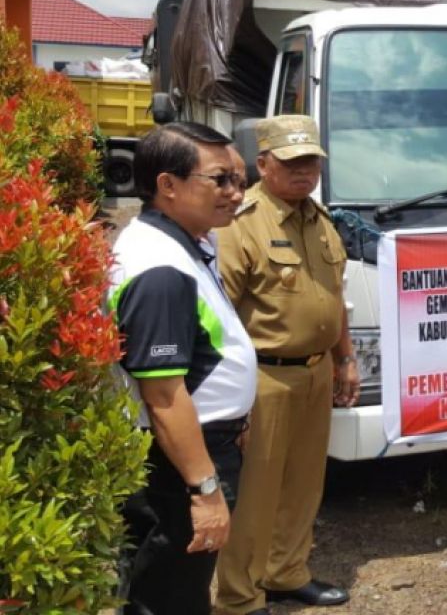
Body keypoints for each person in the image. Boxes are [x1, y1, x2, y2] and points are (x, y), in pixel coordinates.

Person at [109, 122, 257, 615]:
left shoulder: (185, 242)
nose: (237, 193)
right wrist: (206, 490)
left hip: (199, 446)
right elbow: (164, 395)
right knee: (170, 592)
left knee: (183, 585)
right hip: (177, 465)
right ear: (168, 185)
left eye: (240, 178)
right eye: (220, 180)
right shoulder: (160, 269)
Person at [214, 115, 357, 614]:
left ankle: (286, 573)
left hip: (316, 372)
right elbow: (220, 316)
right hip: (264, 378)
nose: (304, 172)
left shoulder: (319, 220)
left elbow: (333, 297)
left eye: (311, 162)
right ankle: (239, 597)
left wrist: (346, 359)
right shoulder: (241, 224)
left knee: (302, 484)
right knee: (255, 494)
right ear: (263, 164)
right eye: (292, 162)